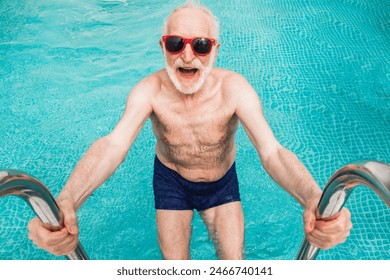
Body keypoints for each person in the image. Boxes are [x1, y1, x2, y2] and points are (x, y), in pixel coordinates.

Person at [27, 2, 352, 260]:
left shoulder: (234, 90)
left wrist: (313, 198)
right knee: (175, 268)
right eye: (175, 43)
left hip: (221, 185)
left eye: (200, 45)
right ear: (162, 46)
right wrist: (66, 201)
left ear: (215, 49)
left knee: (233, 265)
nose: (186, 55)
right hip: (171, 183)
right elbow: (114, 145)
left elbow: (272, 152)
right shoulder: (149, 91)